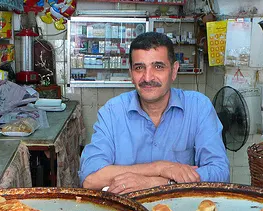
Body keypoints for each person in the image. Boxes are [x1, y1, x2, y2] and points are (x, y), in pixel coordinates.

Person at [79, 32, 230, 194]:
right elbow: (90, 178)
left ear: (173, 71)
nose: (148, 77)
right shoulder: (112, 111)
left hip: (180, 210)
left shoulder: (199, 107)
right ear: (131, 73)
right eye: (139, 68)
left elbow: (220, 172)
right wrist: (162, 167)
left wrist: (157, 183)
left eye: (158, 66)